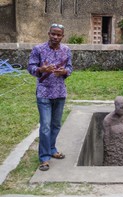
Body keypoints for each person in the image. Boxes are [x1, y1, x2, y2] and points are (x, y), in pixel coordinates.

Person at [27, 23, 73, 171]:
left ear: (62, 36)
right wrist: (41, 69)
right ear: (48, 33)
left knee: (56, 125)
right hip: (44, 93)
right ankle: (44, 157)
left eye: (59, 34)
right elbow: (31, 67)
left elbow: (70, 68)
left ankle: (52, 149)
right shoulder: (38, 49)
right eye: (53, 34)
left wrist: (64, 72)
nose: (55, 37)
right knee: (45, 126)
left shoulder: (66, 50)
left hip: (60, 93)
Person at [103, 96, 123, 166]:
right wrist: (110, 150)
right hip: (113, 149)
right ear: (116, 106)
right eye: (121, 108)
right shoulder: (108, 119)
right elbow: (106, 138)